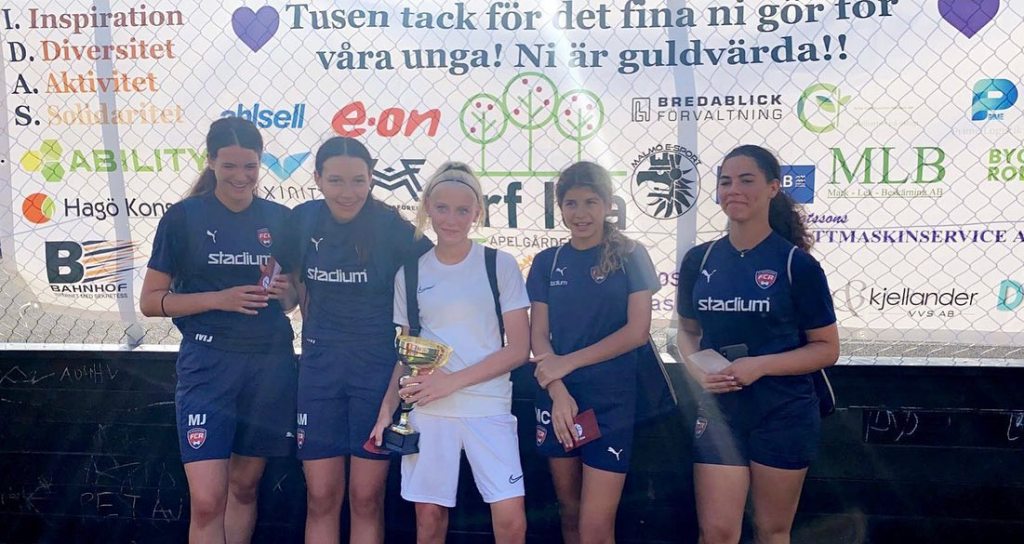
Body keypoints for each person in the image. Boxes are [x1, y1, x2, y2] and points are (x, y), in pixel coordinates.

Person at [139, 117, 298, 544]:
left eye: (250, 166)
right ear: (210, 162)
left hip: (269, 364)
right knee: (208, 500)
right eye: (229, 165)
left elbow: (291, 300)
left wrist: (284, 291)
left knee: (244, 487)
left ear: (261, 163)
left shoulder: (280, 219)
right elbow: (151, 301)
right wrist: (218, 299)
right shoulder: (183, 218)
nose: (241, 176)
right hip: (208, 365)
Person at [675, 145, 840, 544]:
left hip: (784, 411)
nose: (734, 189)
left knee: (771, 530)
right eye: (725, 181)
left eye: (746, 180)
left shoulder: (796, 264)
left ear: (772, 188)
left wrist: (760, 366)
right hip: (721, 411)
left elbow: (826, 348)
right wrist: (696, 368)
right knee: (716, 532)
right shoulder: (699, 260)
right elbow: (686, 332)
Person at [370, 162, 530, 544]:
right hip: (429, 409)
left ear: (477, 212)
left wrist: (451, 382)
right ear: (428, 207)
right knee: (428, 520)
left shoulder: (499, 264)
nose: (451, 219)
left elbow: (519, 349)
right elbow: (407, 352)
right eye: (442, 208)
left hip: (488, 407)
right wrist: (387, 407)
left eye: (463, 210)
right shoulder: (410, 273)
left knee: (511, 520)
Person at [281, 136, 431, 544]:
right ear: (317, 179)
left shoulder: (391, 227)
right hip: (319, 370)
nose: (347, 192)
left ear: (371, 179)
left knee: (366, 498)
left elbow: (437, 273)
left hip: (374, 372)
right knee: (321, 497)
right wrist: (284, 295)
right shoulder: (302, 221)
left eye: (358, 181)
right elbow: (291, 289)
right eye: (335, 180)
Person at [526, 161, 660, 544]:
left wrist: (567, 363)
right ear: (560, 207)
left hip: (611, 400)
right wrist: (558, 391)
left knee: (595, 526)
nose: (580, 213)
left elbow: (637, 332)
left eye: (590, 202)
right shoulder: (547, 261)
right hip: (559, 400)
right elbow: (538, 336)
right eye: (571, 203)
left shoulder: (631, 255)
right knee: (569, 513)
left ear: (607, 204)